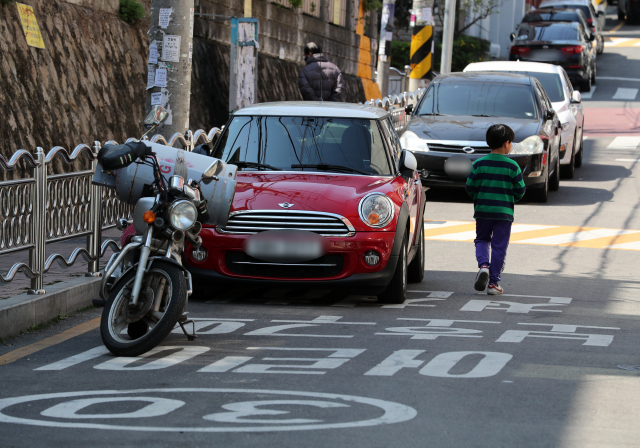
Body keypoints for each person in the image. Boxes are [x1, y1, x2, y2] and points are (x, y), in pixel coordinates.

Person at [465, 124, 526, 295]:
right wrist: (510, 198)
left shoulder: (478, 164)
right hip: (504, 213)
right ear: (506, 143)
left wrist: (480, 197)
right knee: (499, 246)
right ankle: (493, 283)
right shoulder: (513, 166)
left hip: (483, 211)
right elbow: (520, 191)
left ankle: (484, 265)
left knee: (482, 239)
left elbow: (469, 187)